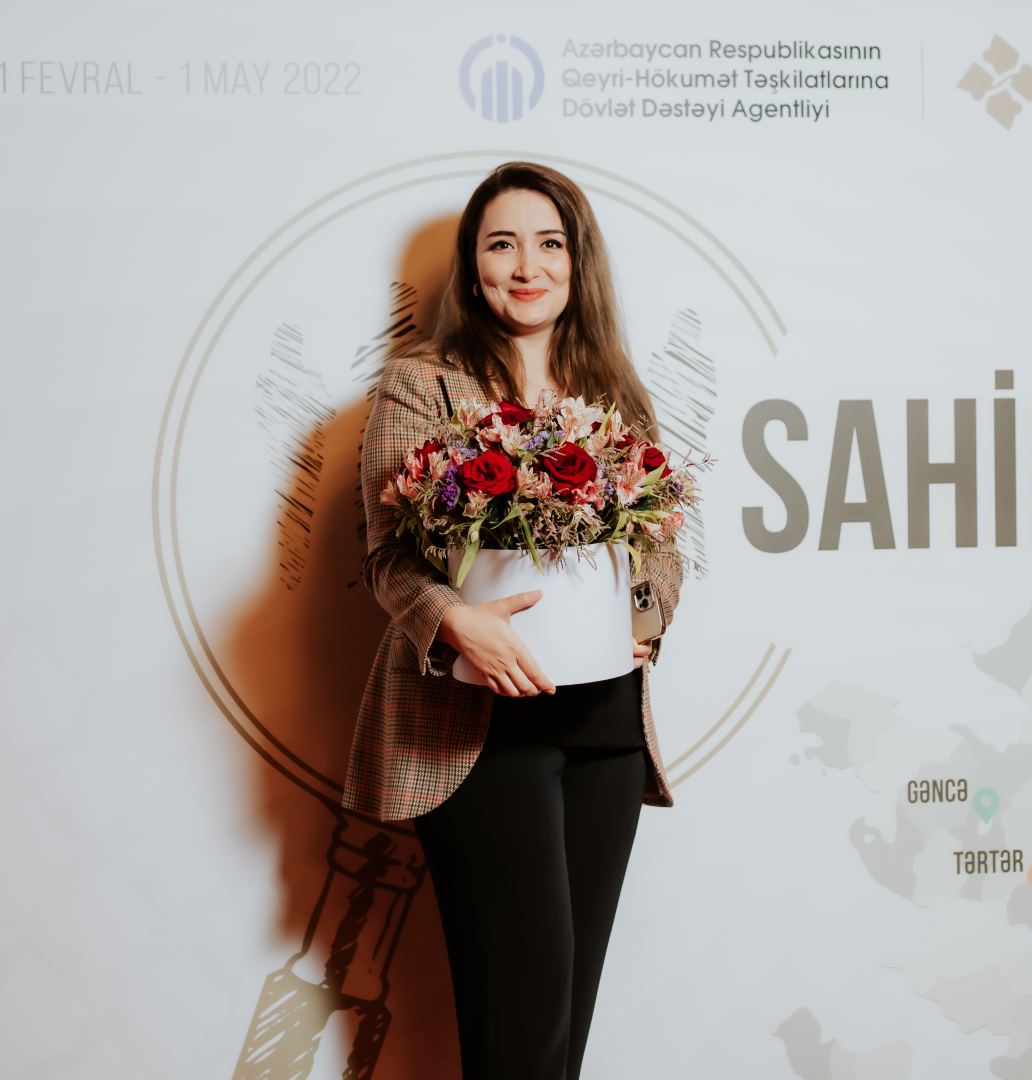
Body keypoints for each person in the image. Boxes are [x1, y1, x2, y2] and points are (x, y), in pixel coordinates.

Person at [338, 160, 686, 1079]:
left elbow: (659, 547)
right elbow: (386, 556)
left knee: (559, 1038)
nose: (527, 266)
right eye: (502, 245)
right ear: (472, 265)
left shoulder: (616, 392)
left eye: (549, 244)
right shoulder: (421, 385)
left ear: (578, 262)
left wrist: (645, 617)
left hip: (606, 730)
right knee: (522, 1033)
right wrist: (456, 623)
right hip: (478, 731)